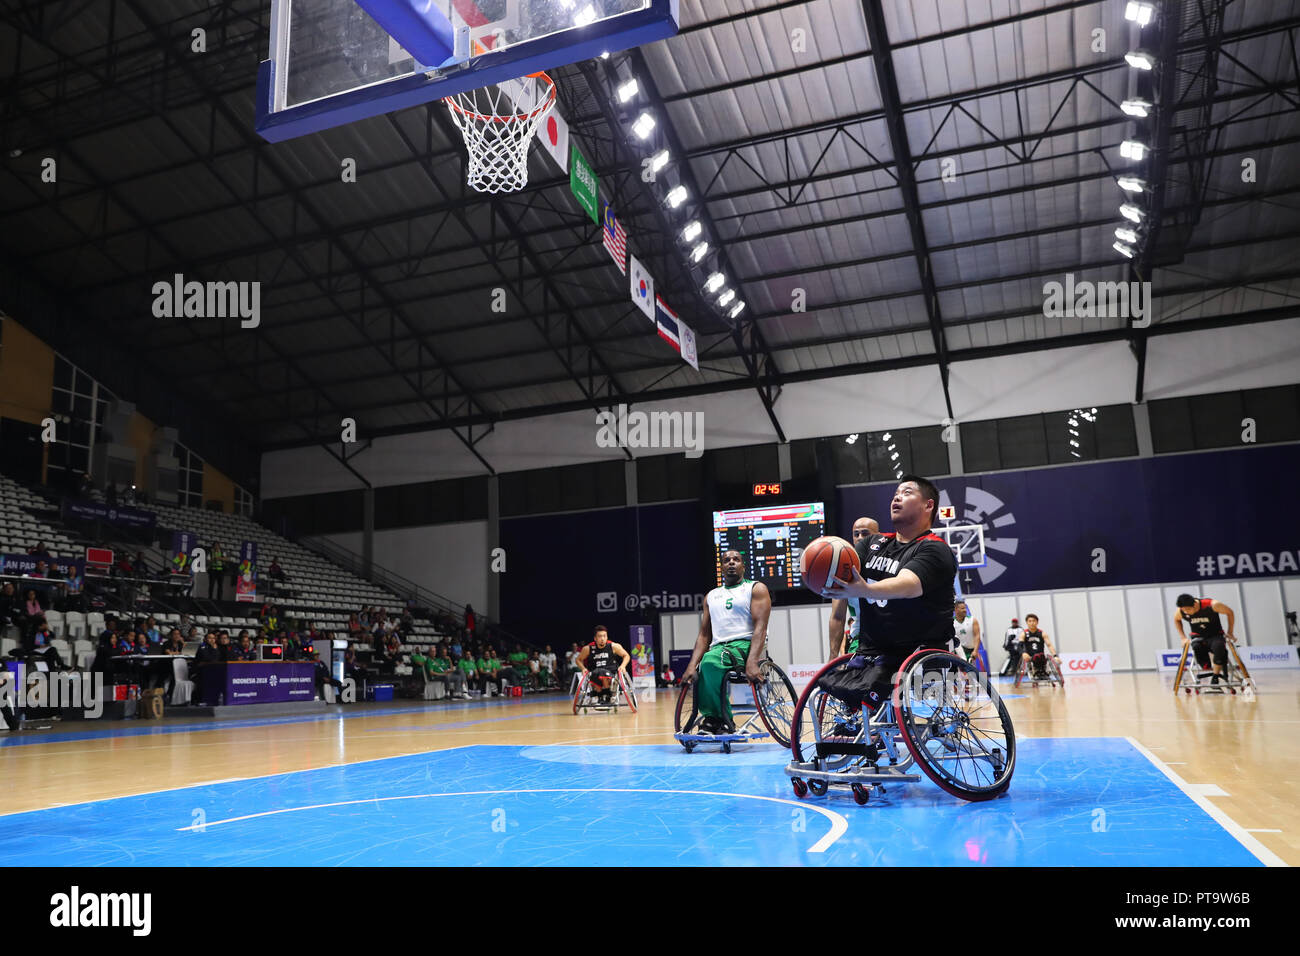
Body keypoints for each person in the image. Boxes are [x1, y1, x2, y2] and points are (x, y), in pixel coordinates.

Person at [821, 476, 958, 715]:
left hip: (919, 650)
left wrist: (866, 590)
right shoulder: (872, 544)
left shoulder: (935, 549)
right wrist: (822, 572)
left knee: (876, 686)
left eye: (907, 492)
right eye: (896, 493)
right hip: (874, 650)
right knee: (832, 685)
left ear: (928, 505)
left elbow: (908, 585)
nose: (897, 497)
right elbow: (838, 569)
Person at [680, 549, 771, 734]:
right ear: (721, 567)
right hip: (720, 648)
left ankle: (717, 719)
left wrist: (753, 661)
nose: (731, 562)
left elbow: (760, 628)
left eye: (736, 559)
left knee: (711, 661)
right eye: (727, 560)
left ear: (743, 566)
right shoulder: (711, 596)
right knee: (705, 664)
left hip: (747, 644)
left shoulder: (755, 588)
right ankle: (715, 718)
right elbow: (704, 635)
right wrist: (691, 665)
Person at [827, 516, 879, 658]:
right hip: (861, 640)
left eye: (865, 533)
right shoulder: (843, 570)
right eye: (856, 534)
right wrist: (833, 656)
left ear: (878, 536)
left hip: (892, 638)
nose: (860, 538)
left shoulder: (890, 562)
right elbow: (838, 617)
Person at [1174, 594, 1237, 685]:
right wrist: (1183, 637)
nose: (1186, 612)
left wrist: (1230, 632)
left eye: (1188, 610)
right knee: (1196, 647)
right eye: (1184, 610)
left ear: (1194, 605)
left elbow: (1230, 612)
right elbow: (1176, 620)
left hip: (1215, 635)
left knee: (1219, 647)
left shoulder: (1212, 604)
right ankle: (1210, 666)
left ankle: (1215, 677)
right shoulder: (1181, 610)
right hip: (1198, 636)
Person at [577, 625, 632, 706]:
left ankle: (607, 695)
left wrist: (623, 666)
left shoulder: (613, 646)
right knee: (596, 673)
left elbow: (626, 655)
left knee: (602, 672)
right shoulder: (588, 648)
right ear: (595, 638)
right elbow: (578, 659)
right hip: (595, 671)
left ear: (607, 637)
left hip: (611, 671)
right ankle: (600, 696)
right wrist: (583, 668)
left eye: (604, 636)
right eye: (600, 636)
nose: (602, 638)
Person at [953, 600, 983, 667]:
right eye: (962, 608)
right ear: (956, 609)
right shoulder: (952, 622)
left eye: (965, 608)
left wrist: (975, 651)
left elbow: (977, 636)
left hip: (970, 651)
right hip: (958, 651)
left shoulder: (972, 620)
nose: (965, 610)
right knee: (955, 673)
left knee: (975, 671)